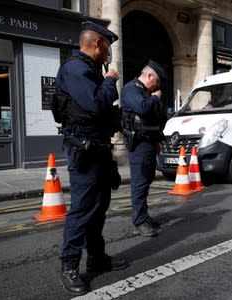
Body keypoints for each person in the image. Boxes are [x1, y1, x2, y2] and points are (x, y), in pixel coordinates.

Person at [54, 21, 128, 296]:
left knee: (99, 206)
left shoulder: (88, 71)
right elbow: (95, 104)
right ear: (98, 43)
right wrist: (110, 80)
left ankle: (97, 258)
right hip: (83, 150)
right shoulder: (75, 69)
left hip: (98, 147)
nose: (109, 52)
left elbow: (101, 110)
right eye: (108, 45)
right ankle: (70, 266)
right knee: (83, 209)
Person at [121, 60, 167, 237]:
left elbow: (154, 119)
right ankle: (139, 221)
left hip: (148, 143)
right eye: (156, 82)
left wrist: (157, 142)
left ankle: (144, 215)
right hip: (138, 144)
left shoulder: (145, 92)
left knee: (146, 182)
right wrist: (155, 98)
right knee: (139, 184)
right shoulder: (131, 89)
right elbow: (142, 108)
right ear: (149, 76)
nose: (157, 87)